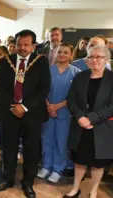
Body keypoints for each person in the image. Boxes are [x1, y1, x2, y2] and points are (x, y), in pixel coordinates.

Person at [0, 30, 51, 198]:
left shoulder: (41, 62)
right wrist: (12, 106)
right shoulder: (6, 61)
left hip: (32, 114)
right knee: (8, 147)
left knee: (31, 150)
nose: (22, 48)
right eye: (19, 44)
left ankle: (28, 183)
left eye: (26, 44)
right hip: (9, 113)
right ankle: (7, 178)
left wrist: (24, 107)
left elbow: (44, 88)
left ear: (33, 45)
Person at [64, 45, 113, 198]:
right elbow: (71, 100)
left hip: (102, 127)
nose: (94, 60)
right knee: (80, 160)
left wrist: (91, 118)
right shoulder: (80, 76)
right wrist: (80, 117)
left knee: (98, 163)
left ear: (106, 59)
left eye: (98, 57)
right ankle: (75, 188)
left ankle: (93, 190)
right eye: (91, 57)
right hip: (81, 126)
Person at [37, 43, 81, 183]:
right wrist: (49, 106)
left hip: (65, 113)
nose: (62, 54)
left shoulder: (76, 73)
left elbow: (75, 95)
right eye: (59, 52)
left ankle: (57, 169)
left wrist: (57, 107)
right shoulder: (48, 70)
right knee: (47, 140)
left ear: (71, 55)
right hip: (47, 111)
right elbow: (41, 90)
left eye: (66, 52)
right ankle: (46, 166)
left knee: (61, 142)